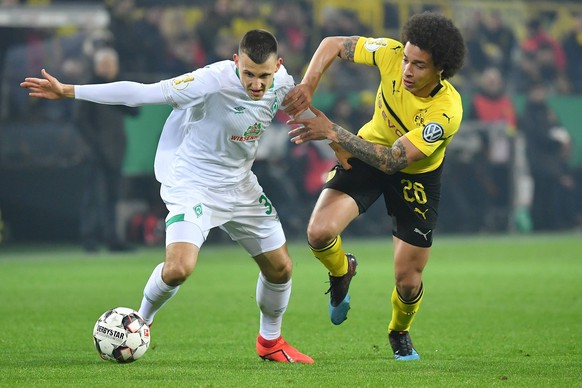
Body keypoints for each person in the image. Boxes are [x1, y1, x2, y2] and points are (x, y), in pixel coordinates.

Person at [21, 29, 313, 364]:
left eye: (264, 76)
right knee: (178, 268)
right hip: (192, 183)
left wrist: (338, 142)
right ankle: (140, 322)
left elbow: (304, 113)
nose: (257, 84)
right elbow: (141, 94)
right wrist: (70, 91)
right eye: (248, 74)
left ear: (278, 66)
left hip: (241, 186)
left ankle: (270, 343)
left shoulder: (284, 82)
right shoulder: (210, 81)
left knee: (280, 269)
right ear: (236, 62)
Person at [283, 12, 465, 361]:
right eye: (407, 60)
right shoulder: (390, 52)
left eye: (419, 65)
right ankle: (341, 270)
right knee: (319, 232)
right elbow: (332, 44)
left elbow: (394, 161)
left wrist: (334, 133)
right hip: (366, 153)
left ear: (440, 68)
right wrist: (308, 84)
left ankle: (399, 331)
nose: (406, 70)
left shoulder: (446, 111)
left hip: (415, 177)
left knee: (408, 281)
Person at [76, 47, 139, 252]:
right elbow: (80, 120)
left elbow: (135, 110)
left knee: (113, 195)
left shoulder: (118, 86)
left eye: (112, 65)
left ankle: (112, 239)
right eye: (105, 65)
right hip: (94, 150)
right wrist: (95, 143)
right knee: (93, 195)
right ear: (97, 66)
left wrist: (117, 89)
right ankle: (89, 239)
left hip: (115, 148)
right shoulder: (88, 87)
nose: (109, 69)